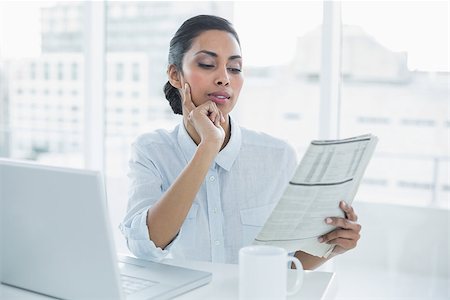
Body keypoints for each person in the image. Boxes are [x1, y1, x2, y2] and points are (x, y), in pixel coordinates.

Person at [120, 15, 361, 270]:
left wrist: (331, 246)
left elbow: (287, 265)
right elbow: (145, 246)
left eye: (234, 68)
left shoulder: (278, 156)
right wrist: (207, 148)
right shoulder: (151, 151)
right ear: (175, 75)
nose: (224, 78)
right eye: (206, 64)